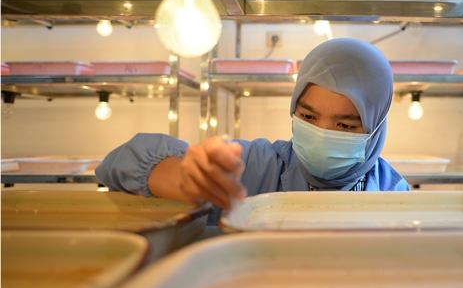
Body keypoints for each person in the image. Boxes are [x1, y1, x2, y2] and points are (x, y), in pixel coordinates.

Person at [96, 38, 410, 220]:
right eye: (308, 116)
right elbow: (121, 162)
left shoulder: (394, 195)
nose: (322, 134)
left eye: (344, 125)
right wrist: (181, 177)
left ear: (375, 129)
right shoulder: (255, 166)